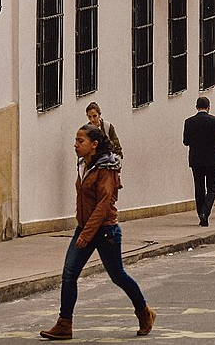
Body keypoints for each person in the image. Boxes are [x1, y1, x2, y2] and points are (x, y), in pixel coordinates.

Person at [39, 124, 154, 340]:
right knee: (69, 274)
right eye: (75, 140)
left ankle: (144, 313)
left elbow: (103, 205)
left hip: (105, 231)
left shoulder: (106, 168)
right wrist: (82, 229)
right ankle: (65, 323)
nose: (75, 145)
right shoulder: (84, 165)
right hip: (85, 228)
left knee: (118, 276)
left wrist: (85, 235)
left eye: (80, 141)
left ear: (94, 144)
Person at [183, 96, 215, 227]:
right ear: (208, 107)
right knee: (212, 188)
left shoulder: (189, 122)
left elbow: (186, 141)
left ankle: (200, 211)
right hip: (213, 160)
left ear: (196, 107)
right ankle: (205, 212)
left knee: (199, 187)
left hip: (196, 160)